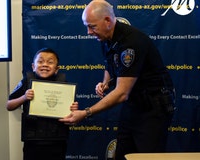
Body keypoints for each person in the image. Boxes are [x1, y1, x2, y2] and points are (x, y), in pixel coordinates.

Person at [59, 0, 175, 160]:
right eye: (87, 26)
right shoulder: (106, 37)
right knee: (124, 154)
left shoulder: (131, 43)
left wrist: (86, 113)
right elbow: (110, 63)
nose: (88, 32)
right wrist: (105, 82)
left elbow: (121, 93)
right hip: (133, 106)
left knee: (148, 157)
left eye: (92, 26)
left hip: (153, 109)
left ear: (107, 20)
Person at [7, 47, 78, 160]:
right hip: (33, 142)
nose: (45, 64)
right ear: (33, 67)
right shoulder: (27, 81)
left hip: (57, 142)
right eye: (40, 61)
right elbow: (9, 105)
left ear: (56, 69)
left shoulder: (63, 84)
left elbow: (71, 118)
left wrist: (72, 110)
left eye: (50, 62)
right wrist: (24, 97)